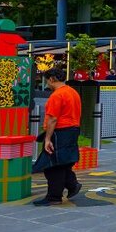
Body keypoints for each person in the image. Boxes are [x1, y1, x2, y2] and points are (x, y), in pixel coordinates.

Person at [32, 69, 83, 206]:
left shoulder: (57, 95)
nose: (47, 84)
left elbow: (53, 119)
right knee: (63, 162)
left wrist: (47, 139)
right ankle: (72, 185)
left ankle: (54, 196)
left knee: (52, 165)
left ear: (52, 79)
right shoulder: (73, 92)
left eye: (47, 80)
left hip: (59, 132)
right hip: (73, 129)